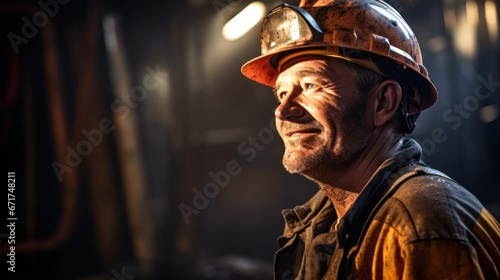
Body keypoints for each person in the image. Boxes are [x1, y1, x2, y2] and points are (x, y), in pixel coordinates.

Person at [240, 0, 500, 279]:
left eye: (311, 86)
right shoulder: (319, 224)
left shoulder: (420, 225)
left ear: (383, 103)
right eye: (281, 94)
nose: (283, 110)